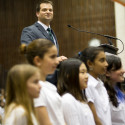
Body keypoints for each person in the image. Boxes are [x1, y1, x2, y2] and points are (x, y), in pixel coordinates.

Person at [20, 0, 67, 86]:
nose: (48, 12)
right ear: (37, 13)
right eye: (44, 10)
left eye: (50, 10)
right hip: (41, 80)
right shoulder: (29, 30)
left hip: (56, 80)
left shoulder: (51, 32)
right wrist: (55, 60)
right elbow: (28, 53)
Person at [20, 38, 65, 125]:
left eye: (56, 56)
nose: (56, 61)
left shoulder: (50, 86)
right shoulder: (35, 88)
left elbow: (60, 119)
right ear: (38, 60)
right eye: (52, 57)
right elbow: (45, 122)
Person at [78, 46, 112, 125]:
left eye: (105, 60)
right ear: (90, 63)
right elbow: (95, 119)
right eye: (102, 60)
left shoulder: (100, 83)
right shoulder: (88, 84)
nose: (106, 64)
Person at [57, 58, 96, 125]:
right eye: (82, 72)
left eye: (86, 72)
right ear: (68, 75)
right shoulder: (68, 99)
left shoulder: (82, 98)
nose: (87, 76)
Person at [102, 54, 125, 125]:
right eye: (118, 68)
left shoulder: (119, 90)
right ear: (107, 73)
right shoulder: (103, 94)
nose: (123, 71)